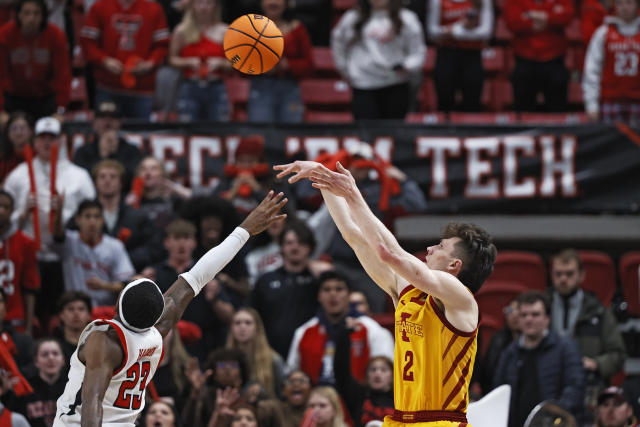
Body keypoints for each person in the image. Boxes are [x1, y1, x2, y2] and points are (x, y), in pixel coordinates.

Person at [275, 159, 497, 425]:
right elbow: (354, 236)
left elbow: (391, 253)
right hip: (402, 419)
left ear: (454, 265)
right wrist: (326, 182)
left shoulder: (460, 297)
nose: (429, 249)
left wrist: (353, 194)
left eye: (440, 246)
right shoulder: (408, 292)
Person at [53, 191, 287, 426]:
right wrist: (244, 229)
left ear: (116, 304)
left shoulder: (104, 341)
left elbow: (92, 401)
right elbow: (200, 274)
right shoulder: (158, 331)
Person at [4, 116, 95, 326]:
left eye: (52, 138)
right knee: (30, 314)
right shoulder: (17, 176)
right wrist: (22, 213)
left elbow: (91, 214)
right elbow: (5, 219)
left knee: (62, 314)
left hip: (66, 258)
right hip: (30, 257)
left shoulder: (79, 176)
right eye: (42, 138)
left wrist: (63, 218)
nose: (47, 143)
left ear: (61, 140)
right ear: (34, 141)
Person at [548, 249, 626, 419]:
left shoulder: (599, 313)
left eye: (569, 274)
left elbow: (618, 355)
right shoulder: (540, 310)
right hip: (549, 385)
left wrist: (597, 364)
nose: (563, 279)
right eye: (558, 274)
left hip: (588, 390)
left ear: (581, 275)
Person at [493, 291, 586, 427]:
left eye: (535, 314)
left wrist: (555, 416)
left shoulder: (565, 348)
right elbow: (498, 392)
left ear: (547, 319)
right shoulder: (510, 352)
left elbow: (576, 386)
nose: (529, 319)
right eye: (524, 315)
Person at [147, 218, 234, 361]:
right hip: (162, 347)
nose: (181, 244)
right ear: (166, 243)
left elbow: (230, 316)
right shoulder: (154, 274)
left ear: (194, 243)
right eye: (176, 238)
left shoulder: (206, 273)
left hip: (200, 347)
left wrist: (215, 298)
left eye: (186, 238)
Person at [287, 270, 394, 385]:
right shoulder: (304, 332)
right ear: (319, 296)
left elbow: (387, 376)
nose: (333, 294)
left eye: (339, 289)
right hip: (317, 400)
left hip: (359, 400)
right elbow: (291, 374)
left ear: (349, 295)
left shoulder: (372, 330)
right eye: (326, 289)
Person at [331, 0, 426, 120]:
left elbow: (418, 52)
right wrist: (345, 69)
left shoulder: (407, 18)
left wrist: (408, 65)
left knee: (393, 132)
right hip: (363, 84)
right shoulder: (353, 17)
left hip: (395, 83)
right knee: (365, 134)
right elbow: (338, 43)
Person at [80, 0, 169, 119]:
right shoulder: (99, 6)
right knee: (105, 135)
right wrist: (104, 60)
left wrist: (150, 63)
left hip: (142, 89)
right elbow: (88, 43)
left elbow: (162, 45)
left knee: (139, 135)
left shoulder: (154, 8)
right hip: (107, 86)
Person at [250, 220, 319, 358]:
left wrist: (319, 273)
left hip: (310, 352)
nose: (295, 247)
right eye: (289, 242)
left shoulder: (319, 280)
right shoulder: (266, 280)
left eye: (301, 242)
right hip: (270, 353)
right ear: (281, 247)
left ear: (310, 247)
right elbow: (252, 314)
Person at [52, 199, 135, 308]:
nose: (92, 222)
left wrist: (104, 285)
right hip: (75, 309)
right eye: (87, 216)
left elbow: (126, 284)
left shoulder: (115, 246)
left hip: (105, 311)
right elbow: (58, 235)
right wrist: (58, 214)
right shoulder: (69, 241)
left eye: (97, 217)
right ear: (77, 220)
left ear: (103, 220)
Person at [0, 0, 70, 121]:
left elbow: (62, 75)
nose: (31, 18)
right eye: (26, 13)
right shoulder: (5, 35)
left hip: (45, 98)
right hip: (14, 97)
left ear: (43, 16)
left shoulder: (56, 36)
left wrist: (60, 110)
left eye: (36, 13)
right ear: (18, 14)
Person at [246, 0, 313, 123]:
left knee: (292, 133)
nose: (273, 3)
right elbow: (239, 66)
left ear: (286, 4)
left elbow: (309, 65)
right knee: (259, 133)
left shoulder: (297, 29)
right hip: (260, 87)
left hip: (291, 89)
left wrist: (288, 65)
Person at [92, 159, 164, 271]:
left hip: (128, 274)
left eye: (112, 177)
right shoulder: (86, 213)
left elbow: (152, 249)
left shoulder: (136, 215)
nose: (107, 180)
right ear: (95, 182)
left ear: (121, 183)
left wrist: (122, 257)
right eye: (102, 177)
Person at [504, 0, 574, 112]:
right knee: (523, 108)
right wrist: (548, 18)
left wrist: (532, 15)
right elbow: (513, 22)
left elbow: (566, 17)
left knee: (557, 109)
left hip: (554, 60)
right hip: (525, 60)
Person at [168, 0, 231, 122]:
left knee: (219, 130)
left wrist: (221, 63)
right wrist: (188, 62)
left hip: (216, 86)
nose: (204, 7)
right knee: (188, 130)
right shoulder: (181, 31)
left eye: (208, 3)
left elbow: (236, 60)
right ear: (192, 6)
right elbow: (171, 59)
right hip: (190, 86)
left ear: (215, 6)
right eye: (199, 3)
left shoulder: (225, 30)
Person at [427, 0, 493, 112]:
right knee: (445, 100)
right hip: (446, 54)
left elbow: (486, 32)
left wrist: (456, 32)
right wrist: (456, 29)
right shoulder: (438, 2)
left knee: (472, 102)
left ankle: (472, 128)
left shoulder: (483, 1)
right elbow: (432, 32)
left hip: (472, 55)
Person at [583, 0, 640, 125]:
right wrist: (592, 105)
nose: (624, 7)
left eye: (629, 3)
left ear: (637, 5)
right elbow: (592, 71)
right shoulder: (603, 33)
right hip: (610, 102)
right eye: (620, 3)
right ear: (615, 6)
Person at [73, 102, 143, 192]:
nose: (107, 122)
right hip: (91, 200)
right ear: (94, 123)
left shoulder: (132, 151)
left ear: (119, 123)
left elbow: (134, 177)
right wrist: (103, 155)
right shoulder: (82, 152)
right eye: (102, 117)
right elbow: (81, 180)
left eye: (113, 117)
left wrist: (113, 155)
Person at [0, 190, 39, 335]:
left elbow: (30, 287)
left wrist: (28, 328)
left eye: (6, 207)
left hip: (14, 317)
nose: (1, 211)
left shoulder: (25, 242)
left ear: (12, 211)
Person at [226, 307, 285, 398]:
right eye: (237, 323)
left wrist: (262, 392)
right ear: (232, 328)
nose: (242, 327)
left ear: (257, 327)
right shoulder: (223, 358)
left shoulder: (274, 360)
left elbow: (282, 394)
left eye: (248, 323)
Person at [13, 338, 66, 427]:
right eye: (45, 354)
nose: (51, 358)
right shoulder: (25, 389)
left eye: (55, 354)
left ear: (63, 360)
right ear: (36, 361)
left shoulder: (74, 388)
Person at [478, 298, 520, 395]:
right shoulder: (498, 339)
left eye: (518, 311)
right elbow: (487, 372)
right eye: (510, 311)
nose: (514, 316)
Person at [52, 291, 92, 367]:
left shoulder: (98, 345)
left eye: (81, 309)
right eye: (70, 309)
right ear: (61, 315)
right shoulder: (53, 346)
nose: (76, 313)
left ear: (89, 315)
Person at [0, 111, 32, 183]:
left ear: (30, 131)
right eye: (14, 128)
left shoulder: (38, 157)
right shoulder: (3, 160)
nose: (18, 132)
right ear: (8, 133)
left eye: (22, 128)